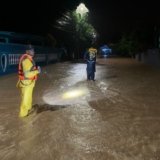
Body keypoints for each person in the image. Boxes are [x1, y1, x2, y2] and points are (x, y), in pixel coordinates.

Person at [16, 45, 41, 117]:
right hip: (26, 83)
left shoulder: (28, 58)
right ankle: (22, 116)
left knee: (28, 98)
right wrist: (37, 71)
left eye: (33, 50)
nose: (33, 51)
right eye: (32, 50)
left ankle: (28, 109)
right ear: (27, 51)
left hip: (27, 83)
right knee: (25, 100)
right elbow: (27, 75)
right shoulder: (26, 60)